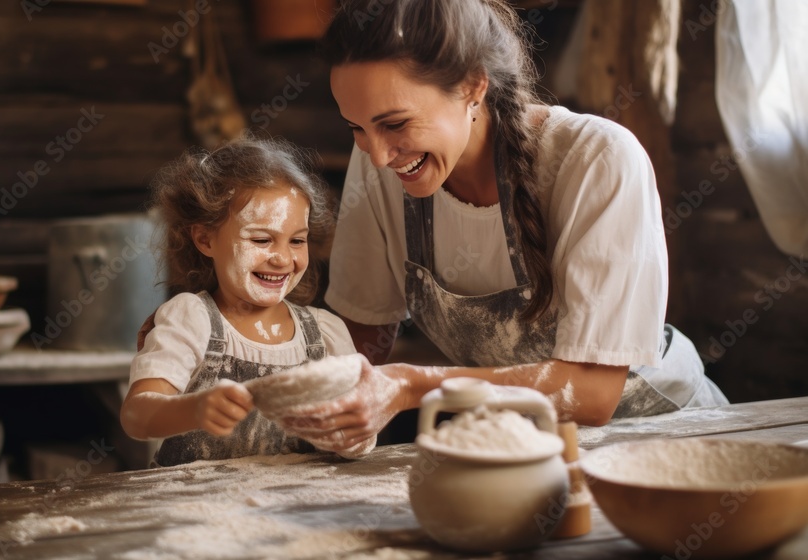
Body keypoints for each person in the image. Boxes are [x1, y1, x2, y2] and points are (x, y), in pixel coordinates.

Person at [280, 0, 729, 451]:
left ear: (473, 86)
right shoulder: (380, 164)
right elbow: (362, 339)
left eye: (395, 123)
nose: (377, 154)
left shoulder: (597, 159)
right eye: (356, 128)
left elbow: (592, 395)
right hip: (532, 445)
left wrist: (411, 385)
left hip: (671, 436)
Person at [120, 135, 356, 467]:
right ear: (205, 239)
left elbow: (360, 420)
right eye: (262, 239)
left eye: (297, 241)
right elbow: (136, 415)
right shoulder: (191, 319)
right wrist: (195, 409)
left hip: (295, 511)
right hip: (196, 507)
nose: (283, 258)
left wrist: (354, 436)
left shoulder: (326, 334)